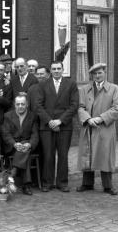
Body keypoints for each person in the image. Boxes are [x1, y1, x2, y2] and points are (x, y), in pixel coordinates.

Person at [76, 63, 118, 196]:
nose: (97, 76)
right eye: (95, 74)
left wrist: (100, 118)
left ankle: (108, 186)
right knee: (87, 153)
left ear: (105, 73)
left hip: (104, 128)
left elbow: (117, 109)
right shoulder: (85, 89)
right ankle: (87, 183)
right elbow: (80, 107)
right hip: (89, 126)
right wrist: (88, 119)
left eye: (100, 73)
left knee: (105, 155)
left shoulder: (114, 89)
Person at [36, 61, 79, 192]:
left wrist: (60, 121)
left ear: (63, 69)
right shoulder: (43, 84)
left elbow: (74, 105)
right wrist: (50, 121)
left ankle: (62, 183)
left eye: (58, 68)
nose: (56, 71)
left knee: (63, 155)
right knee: (48, 155)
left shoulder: (71, 84)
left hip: (64, 126)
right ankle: (47, 183)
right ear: (50, 71)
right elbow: (38, 105)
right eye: (54, 69)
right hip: (47, 126)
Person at [2, 94, 39, 195]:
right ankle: (26, 185)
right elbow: (6, 134)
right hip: (13, 147)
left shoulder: (33, 116)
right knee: (24, 153)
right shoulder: (8, 116)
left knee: (25, 148)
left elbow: (35, 134)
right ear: (14, 105)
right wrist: (14, 144)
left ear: (27, 104)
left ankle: (12, 172)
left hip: (28, 146)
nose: (20, 106)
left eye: (23, 104)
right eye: (18, 104)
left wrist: (30, 144)